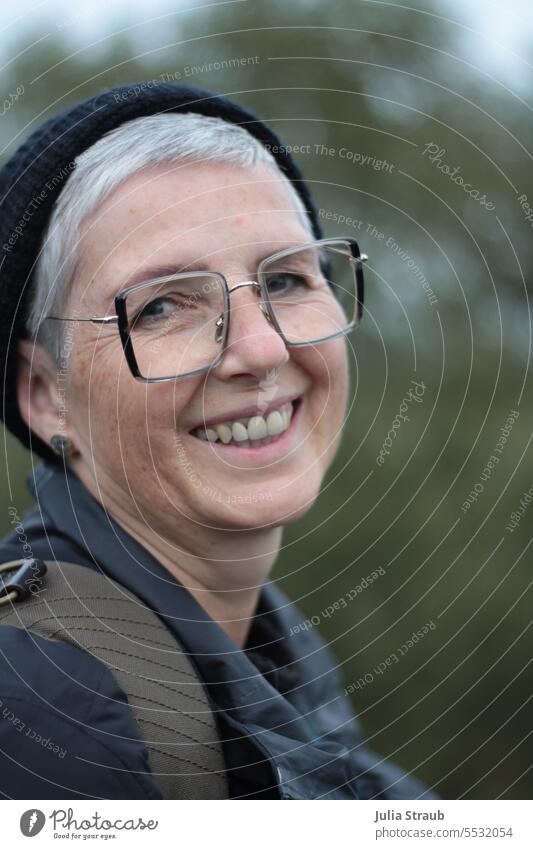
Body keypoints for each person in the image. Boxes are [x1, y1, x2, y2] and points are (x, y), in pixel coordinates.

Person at [0, 81, 438, 800]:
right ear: (48, 393)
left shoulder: (276, 658)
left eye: (288, 278)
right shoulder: (50, 706)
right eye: (164, 305)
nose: (262, 350)